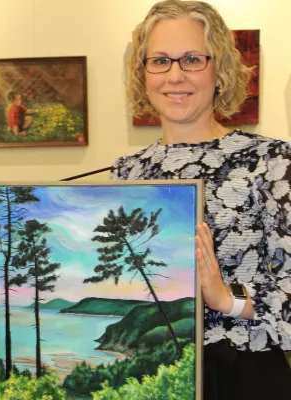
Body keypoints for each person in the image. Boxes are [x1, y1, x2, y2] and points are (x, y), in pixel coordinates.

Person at [111, 0, 291, 398]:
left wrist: (229, 299)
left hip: (244, 376)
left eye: (192, 59)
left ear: (219, 69)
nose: (175, 75)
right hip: (156, 378)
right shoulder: (126, 172)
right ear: (143, 74)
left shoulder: (270, 162)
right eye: (159, 61)